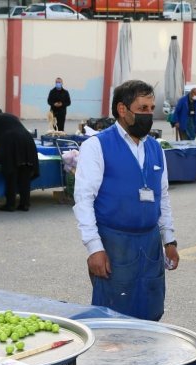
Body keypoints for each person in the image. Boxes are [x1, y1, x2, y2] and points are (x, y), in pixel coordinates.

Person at [72, 79, 178, 322]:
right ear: (122, 109)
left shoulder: (156, 149)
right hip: (114, 244)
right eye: (142, 109)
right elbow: (83, 200)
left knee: (150, 310)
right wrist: (94, 248)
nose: (149, 115)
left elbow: (162, 197)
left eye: (151, 109)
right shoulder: (97, 146)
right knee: (113, 317)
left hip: (149, 243)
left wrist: (169, 239)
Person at [0, 107, 39, 212]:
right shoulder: (11, 116)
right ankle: (25, 204)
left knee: (11, 174)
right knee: (25, 173)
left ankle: (10, 205)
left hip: (11, 143)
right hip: (28, 141)